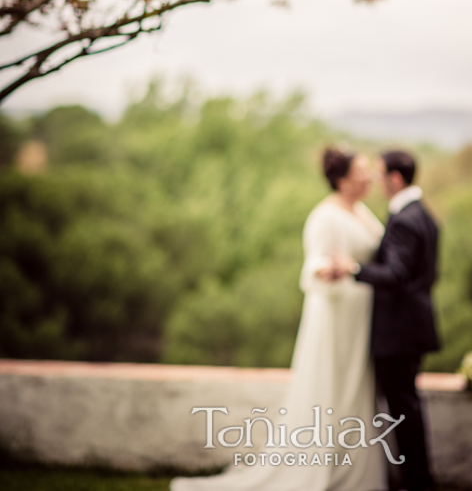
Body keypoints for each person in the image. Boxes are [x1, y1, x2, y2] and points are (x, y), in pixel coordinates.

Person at [170, 147, 387, 491]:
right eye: (362, 171)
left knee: (355, 389)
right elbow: (313, 265)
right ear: (343, 179)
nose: (370, 177)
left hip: (359, 316)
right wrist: (327, 270)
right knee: (333, 389)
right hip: (335, 316)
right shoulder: (325, 217)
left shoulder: (361, 211)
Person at [333, 150, 441, 491]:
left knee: (403, 409)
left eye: (380, 176)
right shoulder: (421, 214)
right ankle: (417, 478)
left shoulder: (405, 220)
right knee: (405, 404)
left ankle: (417, 480)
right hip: (411, 327)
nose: (377, 183)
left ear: (396, 179)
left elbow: (396, 272)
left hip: (399, 332)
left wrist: (352, 268)